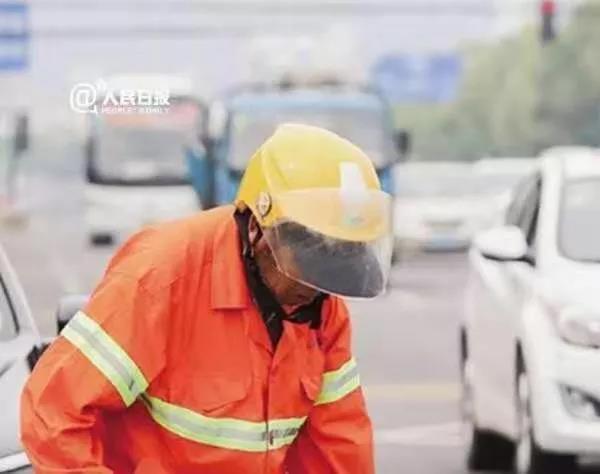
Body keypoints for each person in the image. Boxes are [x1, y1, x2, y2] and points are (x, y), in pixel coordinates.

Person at [20, 123, 393, 473]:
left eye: (337, 262)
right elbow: (54, 414)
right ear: (256, 229)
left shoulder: (322, 307)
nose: (317, 286)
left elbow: (338, 447)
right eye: (309, 259)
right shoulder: (160, 280)